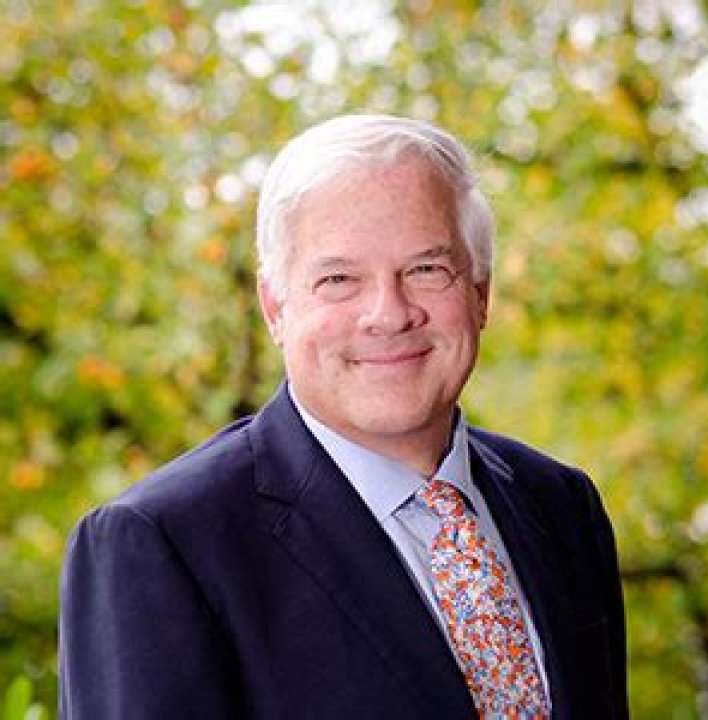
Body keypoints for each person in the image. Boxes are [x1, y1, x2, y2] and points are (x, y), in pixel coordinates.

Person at [59, 114, 628, 719]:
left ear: (480, 292)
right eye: (338, 279)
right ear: (275, 308)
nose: (389, 314)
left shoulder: (560, 506)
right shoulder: (163, 543)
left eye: (426, 270)